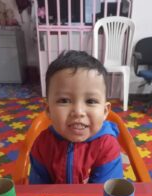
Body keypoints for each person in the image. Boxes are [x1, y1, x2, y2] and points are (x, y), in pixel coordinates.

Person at [29, 50, 123, 184]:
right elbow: (37, 190)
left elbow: (103, 194)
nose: (78, 111)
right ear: (49, 109)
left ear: (104, 111)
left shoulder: (107, 145)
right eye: (64, 101)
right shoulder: (42, 144)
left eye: (90, 101)